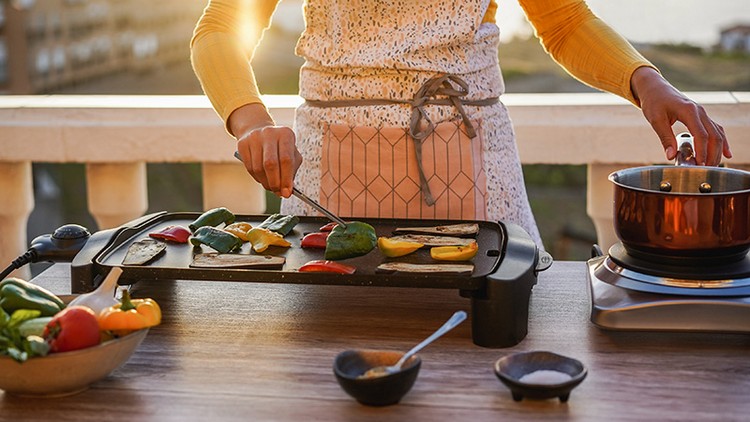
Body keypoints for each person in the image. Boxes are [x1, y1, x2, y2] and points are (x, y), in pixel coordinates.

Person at [190, 0, 731, 246]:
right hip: (327, 169)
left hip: (471, 158)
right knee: (327, 341)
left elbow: (564, 22)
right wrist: (249, 118)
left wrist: (645, 80)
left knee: (491, 337)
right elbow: (220, 26)